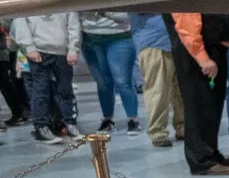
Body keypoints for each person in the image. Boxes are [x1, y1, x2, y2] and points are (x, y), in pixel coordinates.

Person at [168, 12, 229, 174]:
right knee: (199, 104)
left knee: (212, 105)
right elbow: (187, 24)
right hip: (195, 53)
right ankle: (201, 160)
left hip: (212, 46)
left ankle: (211, 153)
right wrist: (202, 57)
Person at [13, 13, 81, 142]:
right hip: (38, 50)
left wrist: (74, 48)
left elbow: (73, 20)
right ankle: (41, 126)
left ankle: (69, 123)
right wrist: (29, 47)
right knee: (40, 91)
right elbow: (20, 19)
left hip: (62, 50)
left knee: (65, 90)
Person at [79, 11, 140, 133]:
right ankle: (107, 119)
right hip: (90, 37)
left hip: (119, 36)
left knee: (123, 82)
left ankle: (132, 119)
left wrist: (103, 10)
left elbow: (129, 15)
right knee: (103, 83)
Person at [130, 12, 184, 148]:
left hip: (180, 39)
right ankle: (158, 132)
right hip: (155, 41)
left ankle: (183, 127)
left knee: (182, 90)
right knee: (158, 90)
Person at [0, 18, 29, 129]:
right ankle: (18, 112)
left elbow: (7, 24)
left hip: (4, 52)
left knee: (7, 83)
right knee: (6, 84)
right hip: (4, 51)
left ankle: (19, 112)